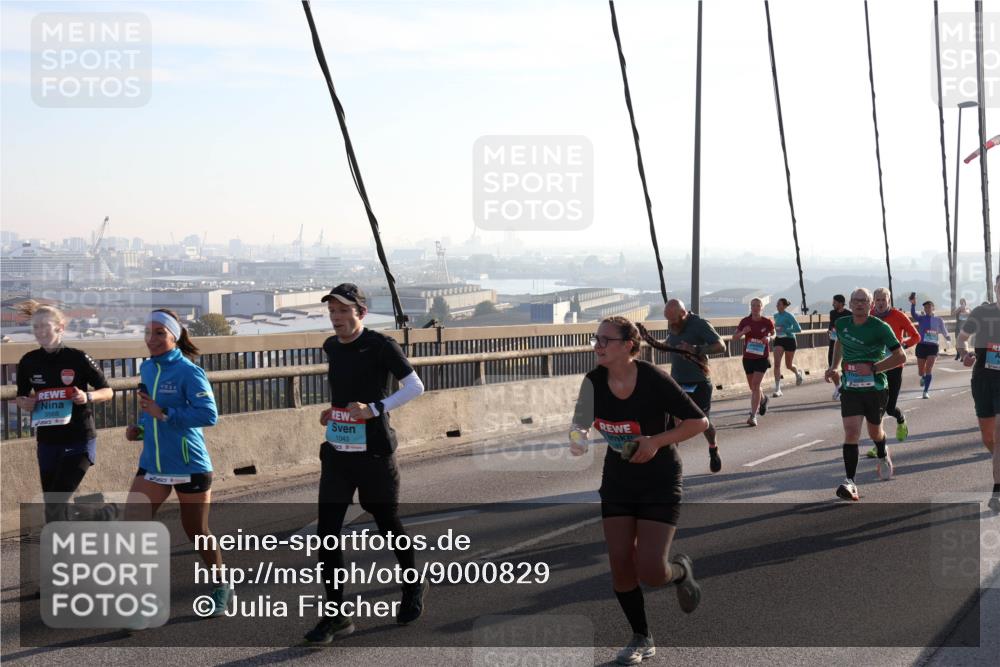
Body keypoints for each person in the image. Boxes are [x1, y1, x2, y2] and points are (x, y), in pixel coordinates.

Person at [570, 316, 707, 665]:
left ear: (629, 345)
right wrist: (578, 439)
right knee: (619, 562)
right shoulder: (594, 382)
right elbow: (579, 424)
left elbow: (698, 422)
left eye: (605, 340)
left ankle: (679, 573)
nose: (597, 346)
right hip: (618, 479)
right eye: (595, 339)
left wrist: (655, 441)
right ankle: (641, 636)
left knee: (650, 570)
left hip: (660, 479)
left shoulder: (653, 379)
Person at [305, 283, 427, 645]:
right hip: (339, 453)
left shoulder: (380, 345)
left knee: (387, 523)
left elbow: (415, 386)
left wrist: (373, 409)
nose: (337, 318)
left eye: (343, 311)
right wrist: (335, 411)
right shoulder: (331, 347)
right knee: (326, 533)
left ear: (361, 313)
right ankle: (337, 615)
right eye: (332, 312)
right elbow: (345, 393)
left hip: (374, 453)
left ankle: (411, 585)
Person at [124, 309, 228, 617]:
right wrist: (140, 428)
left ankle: (222, 584)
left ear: (174, 336)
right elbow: (149, 413)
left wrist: (165, 415)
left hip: (189, 464)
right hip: (153, 463)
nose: (152, 339)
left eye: (159, 333)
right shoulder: (147, 369)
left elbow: (209, 415)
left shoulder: (189, 371)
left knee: (196, 530)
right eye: (148, 332)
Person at [15, 301, 114, 524]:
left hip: (79, 438)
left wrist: (87, 396)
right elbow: (21, 397)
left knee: (56, 503)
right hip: (48, 441)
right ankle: (98, 513)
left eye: (45, 326)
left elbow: (108, 392)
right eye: (36, 327)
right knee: (53, 506)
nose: (40, 332)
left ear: (60, 327)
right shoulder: (28, 361)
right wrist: (25, 403)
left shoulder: (77, 357)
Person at [825, 288, 907, 501]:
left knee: (874, 433)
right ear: (850, 304)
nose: (859, 304)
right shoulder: (842, 324)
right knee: (851, 432)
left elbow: (900, 356)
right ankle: (850, 482)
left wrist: (874, 368)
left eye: (864, 301)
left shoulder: (880, 327)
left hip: (875, 389)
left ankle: (882, 451)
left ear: (870, 305)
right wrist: (834, 366)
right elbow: (839, 342)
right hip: (851, 388)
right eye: (856, 300)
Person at [639, 299, 726, 472]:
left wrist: (696, 349)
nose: (670, 323)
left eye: (672, 319)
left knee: (703, 422)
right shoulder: (674, 324)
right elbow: (669, 346)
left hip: (699, 381)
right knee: (673, 424)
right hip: (677, 380)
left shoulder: (699, 324)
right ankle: (671, 464)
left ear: (682, 313)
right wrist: (648, 338)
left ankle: (713, 448)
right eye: (667, 319)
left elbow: (721, 346)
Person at [956, 274, 1000, 512]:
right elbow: (962, 339)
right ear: (995, 288)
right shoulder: (982, 313)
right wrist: (965, 355)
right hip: (983, 379)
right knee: (988, 438)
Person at [866, 288, 921, 456]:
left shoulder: (898, 316)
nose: (881, 303)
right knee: (877, 408)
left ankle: (901, 419)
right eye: (878, 300)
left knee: (889, 408)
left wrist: (902, 346)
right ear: (874, 301)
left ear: (889, 300)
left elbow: (916, 336)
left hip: (895, 367)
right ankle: (879, 446)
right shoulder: (869, 316)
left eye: (884, 299)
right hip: (876, 367)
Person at [734, 298, 774, 426]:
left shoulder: (767, 322)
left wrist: (768, 337)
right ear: (750, 307)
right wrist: (742, 332)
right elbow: (734, 337)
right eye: (753, 305)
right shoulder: (745, 321)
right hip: (748, 358)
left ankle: (753, 415)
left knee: (756, 385)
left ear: (762, 307)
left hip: (762, 358)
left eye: (758, 305)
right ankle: (763, 400)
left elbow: (774, 334)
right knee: (753, 387)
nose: (755, 308)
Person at [909, 295, 952, 399]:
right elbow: (913, 314)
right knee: (921, 371)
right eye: (925, 307)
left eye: (929, 307)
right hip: (922, 346)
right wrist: (913, 304)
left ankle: (925, 391)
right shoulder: (921, 318)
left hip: (933, 347)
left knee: (929, 368)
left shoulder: (938, 320)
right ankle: (923, 377)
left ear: (933, 308)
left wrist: (948, 338)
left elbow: (943, 329)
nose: (927, 309)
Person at [771, 298, 804, 397]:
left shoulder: (789, 315)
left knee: (788, 365)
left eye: (779, 304)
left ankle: (798, 374)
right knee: (777, 364)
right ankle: (778, 389)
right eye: (777, 304)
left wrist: (786, 330)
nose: (777, 306)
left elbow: (798, 329)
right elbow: (776, 328)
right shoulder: (775, 316)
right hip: (779, 340)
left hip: (789, 340)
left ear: (784, 306)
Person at [828, 295, 852, 400]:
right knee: (831, 365)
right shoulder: (832, 313)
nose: (833, 304)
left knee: (846, 366)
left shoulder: (849, 314)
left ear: (841, 303)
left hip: (846, 343)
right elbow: (831, 325)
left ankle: (846, 388)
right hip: (833, 341)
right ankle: (838, 387)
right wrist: (830, 331)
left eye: (835, 302)